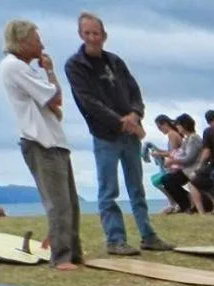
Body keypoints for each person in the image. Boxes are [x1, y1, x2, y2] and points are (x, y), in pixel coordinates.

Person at [64, 11, 170, 255]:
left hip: (130, 134)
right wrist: (121, 122)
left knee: (136, 187)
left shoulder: (115, 62)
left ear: (104, 35)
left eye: (96, 33)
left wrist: (135, 114)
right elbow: (89, 101)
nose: (92, 38)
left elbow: (134, 91)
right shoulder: (75, 65)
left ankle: (148, 235)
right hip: (105, 135)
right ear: (80, 34)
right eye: (87, 33)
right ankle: (115, 239)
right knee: (108, 189)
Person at [0, 18, 82, 270]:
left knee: (70, 202)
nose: (41, 46)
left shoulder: (24, 69)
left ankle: (73, 253)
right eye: (36, 41)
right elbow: (55, 98)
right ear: (21, 41)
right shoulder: (14, 66)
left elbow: (52, 104)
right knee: (58, 202)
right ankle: (61, 257)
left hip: (54, 140)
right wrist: (50, 71)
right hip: (40, 141)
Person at [156, 113, 201, 214]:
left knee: (166, 180)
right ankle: (184, 203)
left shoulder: (190, 138)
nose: (177, 127)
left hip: (189, 168)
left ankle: (185, 204)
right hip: (185, 167)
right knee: (166, 179)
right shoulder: (187, 138)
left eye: (159, 127)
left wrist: (170, 160)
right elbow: (178, 153)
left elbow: (184, 157)